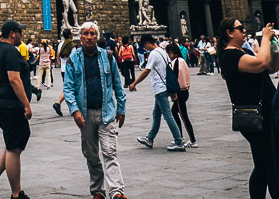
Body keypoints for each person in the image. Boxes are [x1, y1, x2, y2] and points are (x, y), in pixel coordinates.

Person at [64, 21, 128, 199]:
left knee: (109, 152)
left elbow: (117, 84)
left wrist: (121, 108)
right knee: (91, 155)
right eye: (86, 34)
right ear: (81, 37)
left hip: (106, 112)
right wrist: (74, 110)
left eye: (92, 34)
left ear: (97, 36)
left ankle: (116, 191)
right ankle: (98, 190)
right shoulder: (73, 60)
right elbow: (68, 89)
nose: (89, 37)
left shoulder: (107, 57)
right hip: (84, 114)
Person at [218, 18, 279, 199]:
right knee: (272, 165)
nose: (244, 31)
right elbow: (260, 64)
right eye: (240, 28)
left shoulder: (243, 51)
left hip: (265, 114)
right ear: (230, 33)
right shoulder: (230, 56)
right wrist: (265, 39)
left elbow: (270, 68)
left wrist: (275, 50)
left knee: (262, 166)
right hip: (255, 116)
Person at [0, 19, 32, 199]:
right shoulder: (10, 51)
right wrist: (26, 104)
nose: (22, 35)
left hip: (0, 101)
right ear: (12, 33)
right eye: (20, 32)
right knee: (14, 147)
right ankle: (16, 192)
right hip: (10, 103)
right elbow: (14, 79)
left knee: (14, 141)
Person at [130, 34, 186, 151]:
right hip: (165, 86)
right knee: (156, 114)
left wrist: (134, 83)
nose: (146, 49)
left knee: (167, 115)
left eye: (145, 46)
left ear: (147, 43)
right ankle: (149, 139)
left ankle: (179, 141)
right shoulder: (162, 51)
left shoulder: (154, 54)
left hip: (160, 88)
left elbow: (146, 71)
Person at [165, 42, 196, 148]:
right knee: (174, 112)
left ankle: (192, 140)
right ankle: (180, 136)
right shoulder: (182, 61)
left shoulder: (176, 62)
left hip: (180, 92)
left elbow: (176, 78)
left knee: (184, 116)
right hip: (184, 91)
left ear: (172, 52)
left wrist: (174, 92)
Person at [53, 29, 75, 116]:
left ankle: (62, 104)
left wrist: (60, 63)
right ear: (70, 35)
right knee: (70, 88)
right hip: (69, 69)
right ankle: (58, 103)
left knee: (69, 87)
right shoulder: (72, 44)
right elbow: (73, 58)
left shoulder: (61, 44)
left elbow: (58, 55)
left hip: (63, 69)